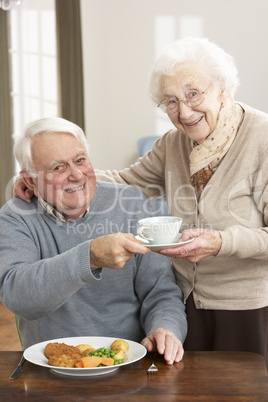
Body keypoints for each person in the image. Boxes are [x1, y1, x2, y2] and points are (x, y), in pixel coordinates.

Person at [13, 37, 268, 367]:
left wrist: (220, 242)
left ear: (222, 87)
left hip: (246, 307)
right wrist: (50, 177)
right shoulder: (174, 144)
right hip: (187, 303)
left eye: (193, 94)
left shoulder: (261, 139)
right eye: (171, 101)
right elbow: (125, 183)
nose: (184, 111)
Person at [0, 117, 187, 365]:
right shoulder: (16, 216)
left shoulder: (131, 202)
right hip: (52, 369)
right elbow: (18, 296)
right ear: (31, 181)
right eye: (58, 167)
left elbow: (161, 292)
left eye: (80, 160)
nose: (76, 175)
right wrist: (89, 257)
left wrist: (166, 328)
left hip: (129, 364)